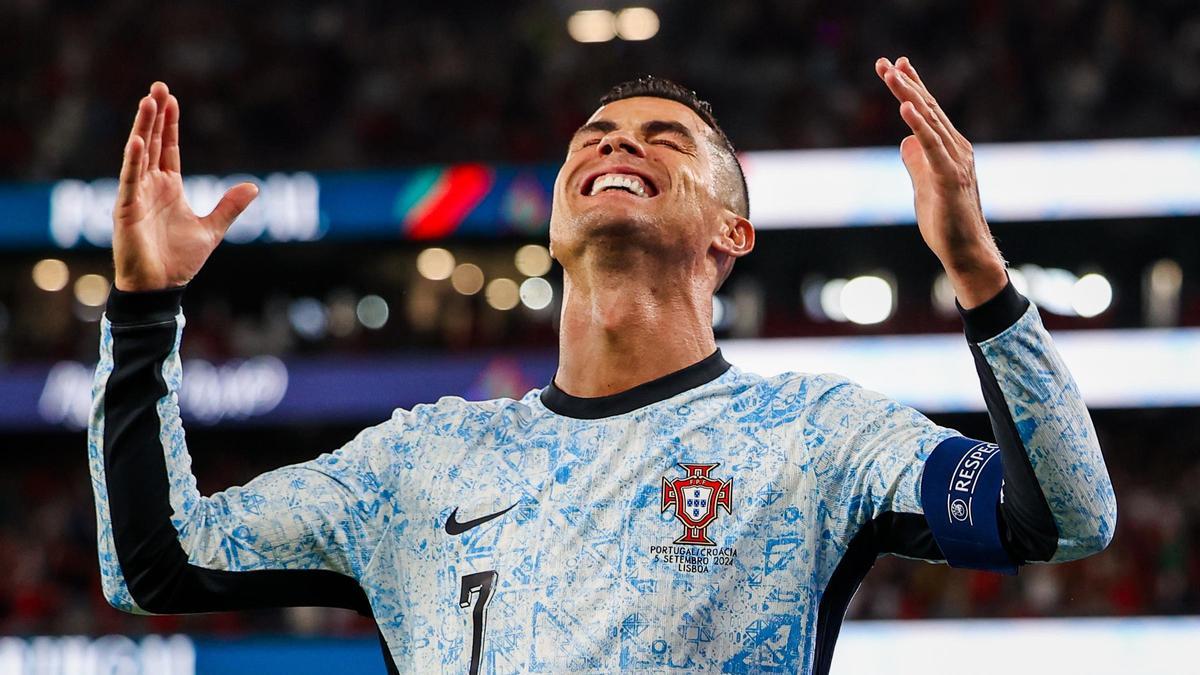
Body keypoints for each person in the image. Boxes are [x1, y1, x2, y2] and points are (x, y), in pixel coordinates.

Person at [89, 57, 1116, 674]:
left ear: (732, 232)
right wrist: (142, 314)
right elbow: (154, 563)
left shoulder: (818, 435)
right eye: (597, 135)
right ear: (550, 224)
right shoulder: (416, 463)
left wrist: (979, 274)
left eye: (664, 138)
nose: (619, 144)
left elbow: (1066, 517)